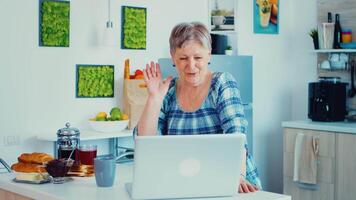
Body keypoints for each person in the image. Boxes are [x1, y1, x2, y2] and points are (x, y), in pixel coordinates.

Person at [136, 22, 262, 193]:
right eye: (183, 58)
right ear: (173, 57)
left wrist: (238, 176)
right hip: (184, 184)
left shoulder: (221, 83)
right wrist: (154, 98)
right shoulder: (168, 91)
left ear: (209, 55)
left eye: (198, 57)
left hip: (230, 178)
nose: (191, 65)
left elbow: (237, 136)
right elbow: (146, 145)